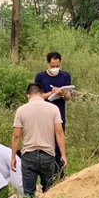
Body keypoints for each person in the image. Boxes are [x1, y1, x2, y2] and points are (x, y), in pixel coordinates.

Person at [10, 83, 67, 198]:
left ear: (28, 96)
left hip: (28, 156)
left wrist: (13, 157)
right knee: (49, 192)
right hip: (48, 155)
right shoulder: (53, 109)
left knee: (28, 194)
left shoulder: (21, 110)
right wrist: (63, 155)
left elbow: (16, 135)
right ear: (42, 94)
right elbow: (59, 132)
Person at [34, 51, 72, 179]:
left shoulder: (65, 76)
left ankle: (59, 171)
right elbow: (37, 96)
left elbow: (68, 97)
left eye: (57, 66)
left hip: (59, 114)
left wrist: (62, 93)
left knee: (58, 143)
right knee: (45, 143)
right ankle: (47, 173)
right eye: (52, 66)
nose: (55, 68)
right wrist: (51, 92)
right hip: (43, 114)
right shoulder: (40, 77)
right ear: (47, 64)